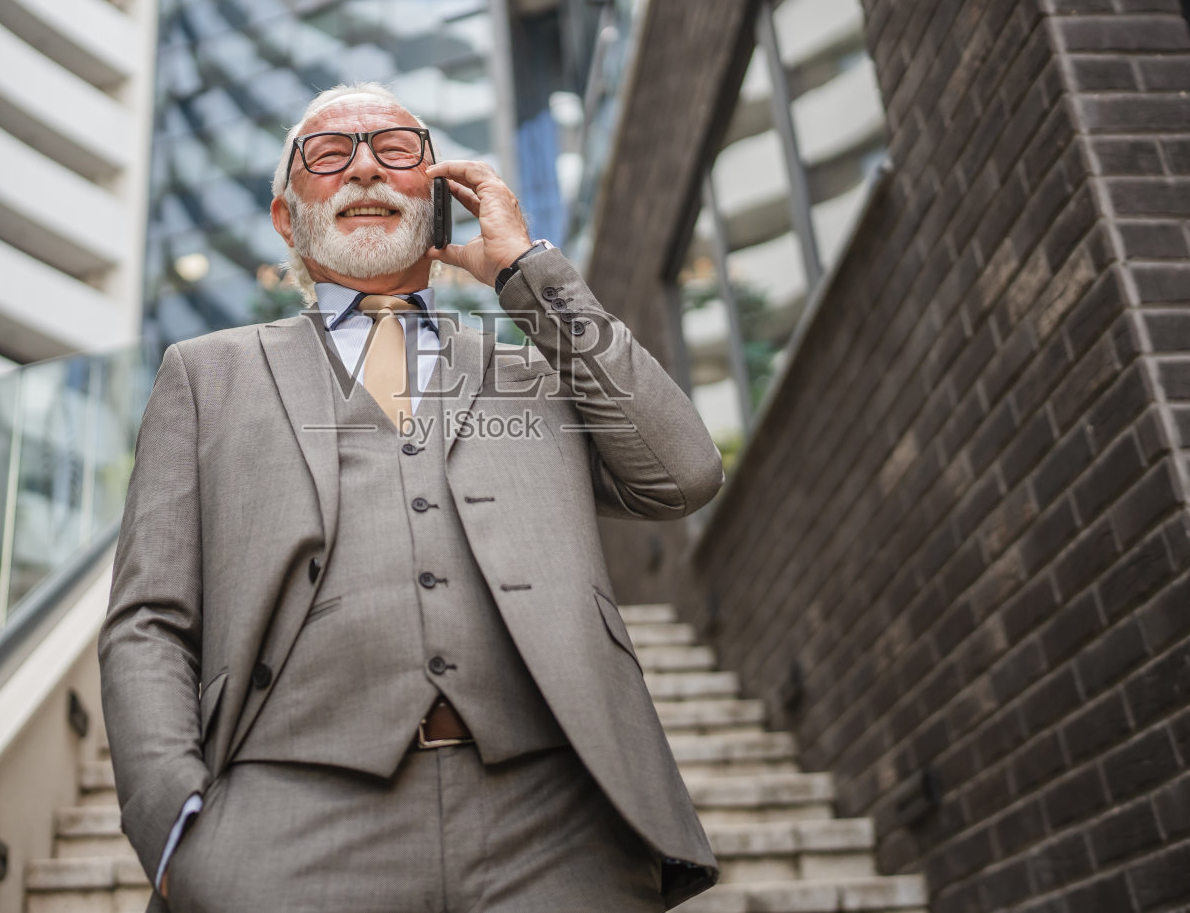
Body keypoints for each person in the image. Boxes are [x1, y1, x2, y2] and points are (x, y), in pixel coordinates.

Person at [98, 82, 724, 913]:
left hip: (561, 828)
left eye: (395, 149)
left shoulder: (535, 372)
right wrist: (176, 829)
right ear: (287, 217)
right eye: (330, 153)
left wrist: (528, 271)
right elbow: (149, 619)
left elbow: (681, 473)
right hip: (285, 823)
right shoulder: (206, 374)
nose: (364, 167)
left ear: (438, 197)